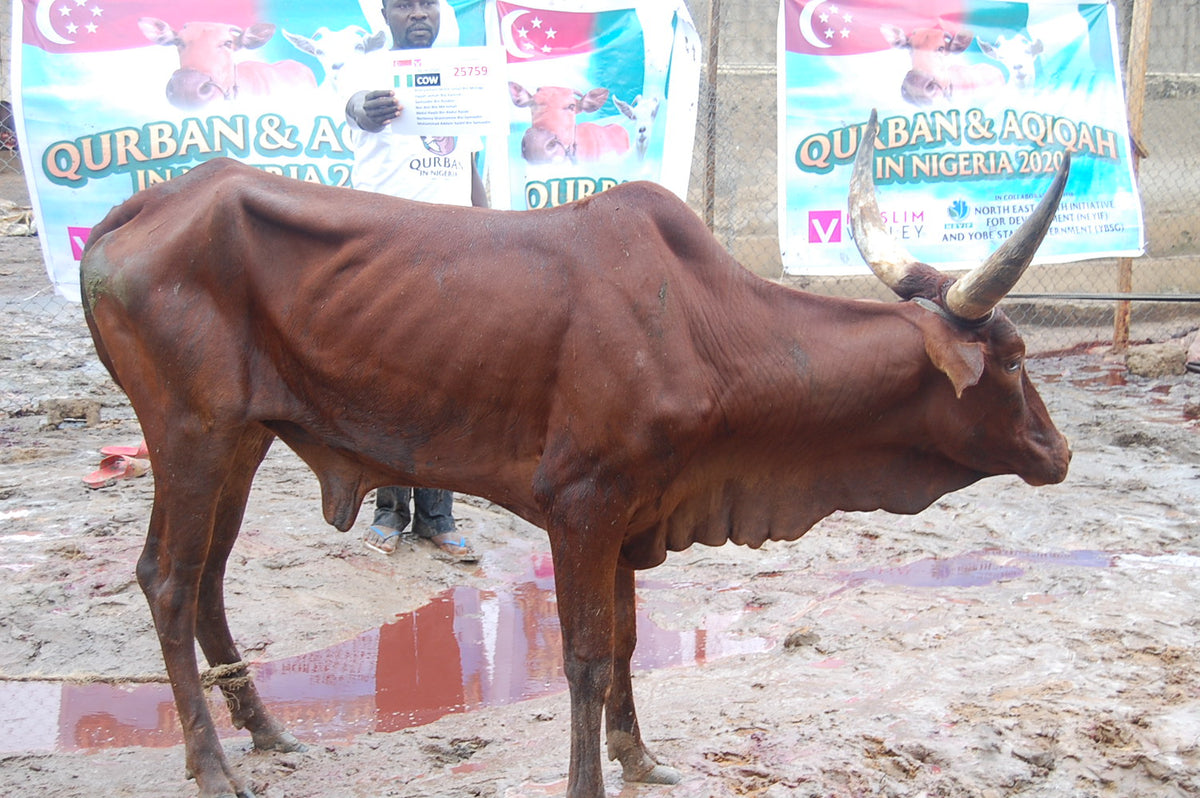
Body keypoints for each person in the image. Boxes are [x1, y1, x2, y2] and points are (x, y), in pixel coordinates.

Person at [344, 0, 485, 561]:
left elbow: (471, 164)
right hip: (385, 248)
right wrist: (363, 108)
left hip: (452, 248)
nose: (418, 14)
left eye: (427, 2)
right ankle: (387, 511)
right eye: (404, 4)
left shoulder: (462, 78)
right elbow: (352, 110)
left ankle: (438, 517)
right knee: (384, 382)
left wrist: (490, 232)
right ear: (384, 11)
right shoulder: (363, 74)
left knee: (444, 383)